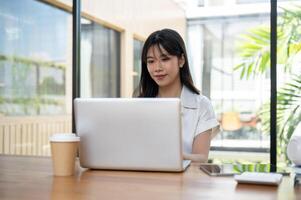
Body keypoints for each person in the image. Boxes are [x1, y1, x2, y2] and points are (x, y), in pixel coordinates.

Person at [137, 28, 220, 162]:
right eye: (151, 61)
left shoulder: (202, 105)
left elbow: (201, 158)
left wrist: (172, 156)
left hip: (185, 180)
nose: (157, 68)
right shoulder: (139, 105)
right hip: (145, 178)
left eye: (165, 59)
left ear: (181, 60)